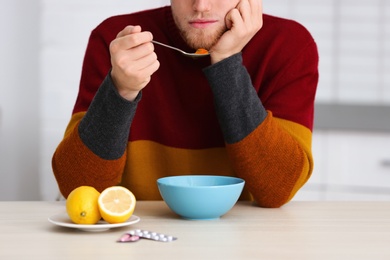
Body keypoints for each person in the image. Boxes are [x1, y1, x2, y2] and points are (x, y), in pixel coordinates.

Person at [52, 0, 318, 208]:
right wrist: (120, 89)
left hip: (246, 243)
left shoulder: (289, 45)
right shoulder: (118, 42)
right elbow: (78, 187)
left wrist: (227, 62)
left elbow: (278, 188)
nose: (201, 6)